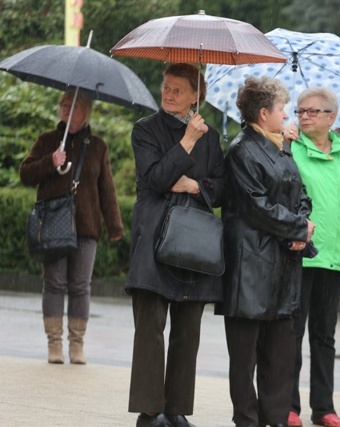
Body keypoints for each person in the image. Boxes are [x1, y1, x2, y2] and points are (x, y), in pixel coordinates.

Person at [126, 63, 226, 427]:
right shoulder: (145, 130)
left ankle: (177, 409)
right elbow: (155, 180)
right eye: (166, 87)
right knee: (150, 329)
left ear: (196, 96)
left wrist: (195, 186)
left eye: (177, 90)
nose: (168, 94)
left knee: (188, 329)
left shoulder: (211, 137)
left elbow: (222, 186)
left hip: (196, 240)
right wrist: (186, 143)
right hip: (154, 237)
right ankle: (149, 411)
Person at [220, 76, 314, 427]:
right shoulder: (242, 150)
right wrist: (296, 227)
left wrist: (302, 227)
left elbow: (301, 195)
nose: (287, 114)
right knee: (245, 359)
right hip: (250, 267)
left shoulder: (280, 147)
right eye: (281, 108)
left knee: (280, 356)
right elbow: (255, 206)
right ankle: (246, 420)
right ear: (263, 113)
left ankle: (274, 420)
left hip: (283, 266)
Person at [19, 89, 124, 365]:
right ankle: (54, 344)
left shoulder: (98, 146)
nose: (67, 109)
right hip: (53, 224)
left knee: (80, 286)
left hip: (86, 227)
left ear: (86, 111)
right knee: (54, 284)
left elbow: (107, 190)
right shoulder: (47, 141)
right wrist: (50, 162)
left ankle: (76, 345)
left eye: (74, 106)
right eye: (64, 105)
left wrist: (115, 226)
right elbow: (25, 173)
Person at [287, 87, 340, 427]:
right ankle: (288, 405)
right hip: (299, 255)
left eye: (312, 112)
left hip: (336, 257)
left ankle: (324, 408)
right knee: (291, 333)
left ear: (331, 117)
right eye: (300, 111)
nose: (304, 116)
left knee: (324, 336)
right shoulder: (290, 146)